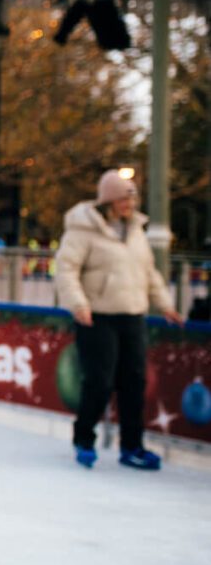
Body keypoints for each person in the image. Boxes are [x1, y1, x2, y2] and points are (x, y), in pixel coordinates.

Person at [55, 170, 183, 470]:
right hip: (96, 316)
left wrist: (165, 305)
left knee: (133, 382)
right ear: (110, 200)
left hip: (132, 315)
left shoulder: (136, 230)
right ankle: (84, 439)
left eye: (132, 198)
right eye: (125, 198)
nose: (130, 204)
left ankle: (132, 446)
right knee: (99, 382)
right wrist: (78, 304)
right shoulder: (82, 229)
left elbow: (149, 273)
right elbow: (66, 270)